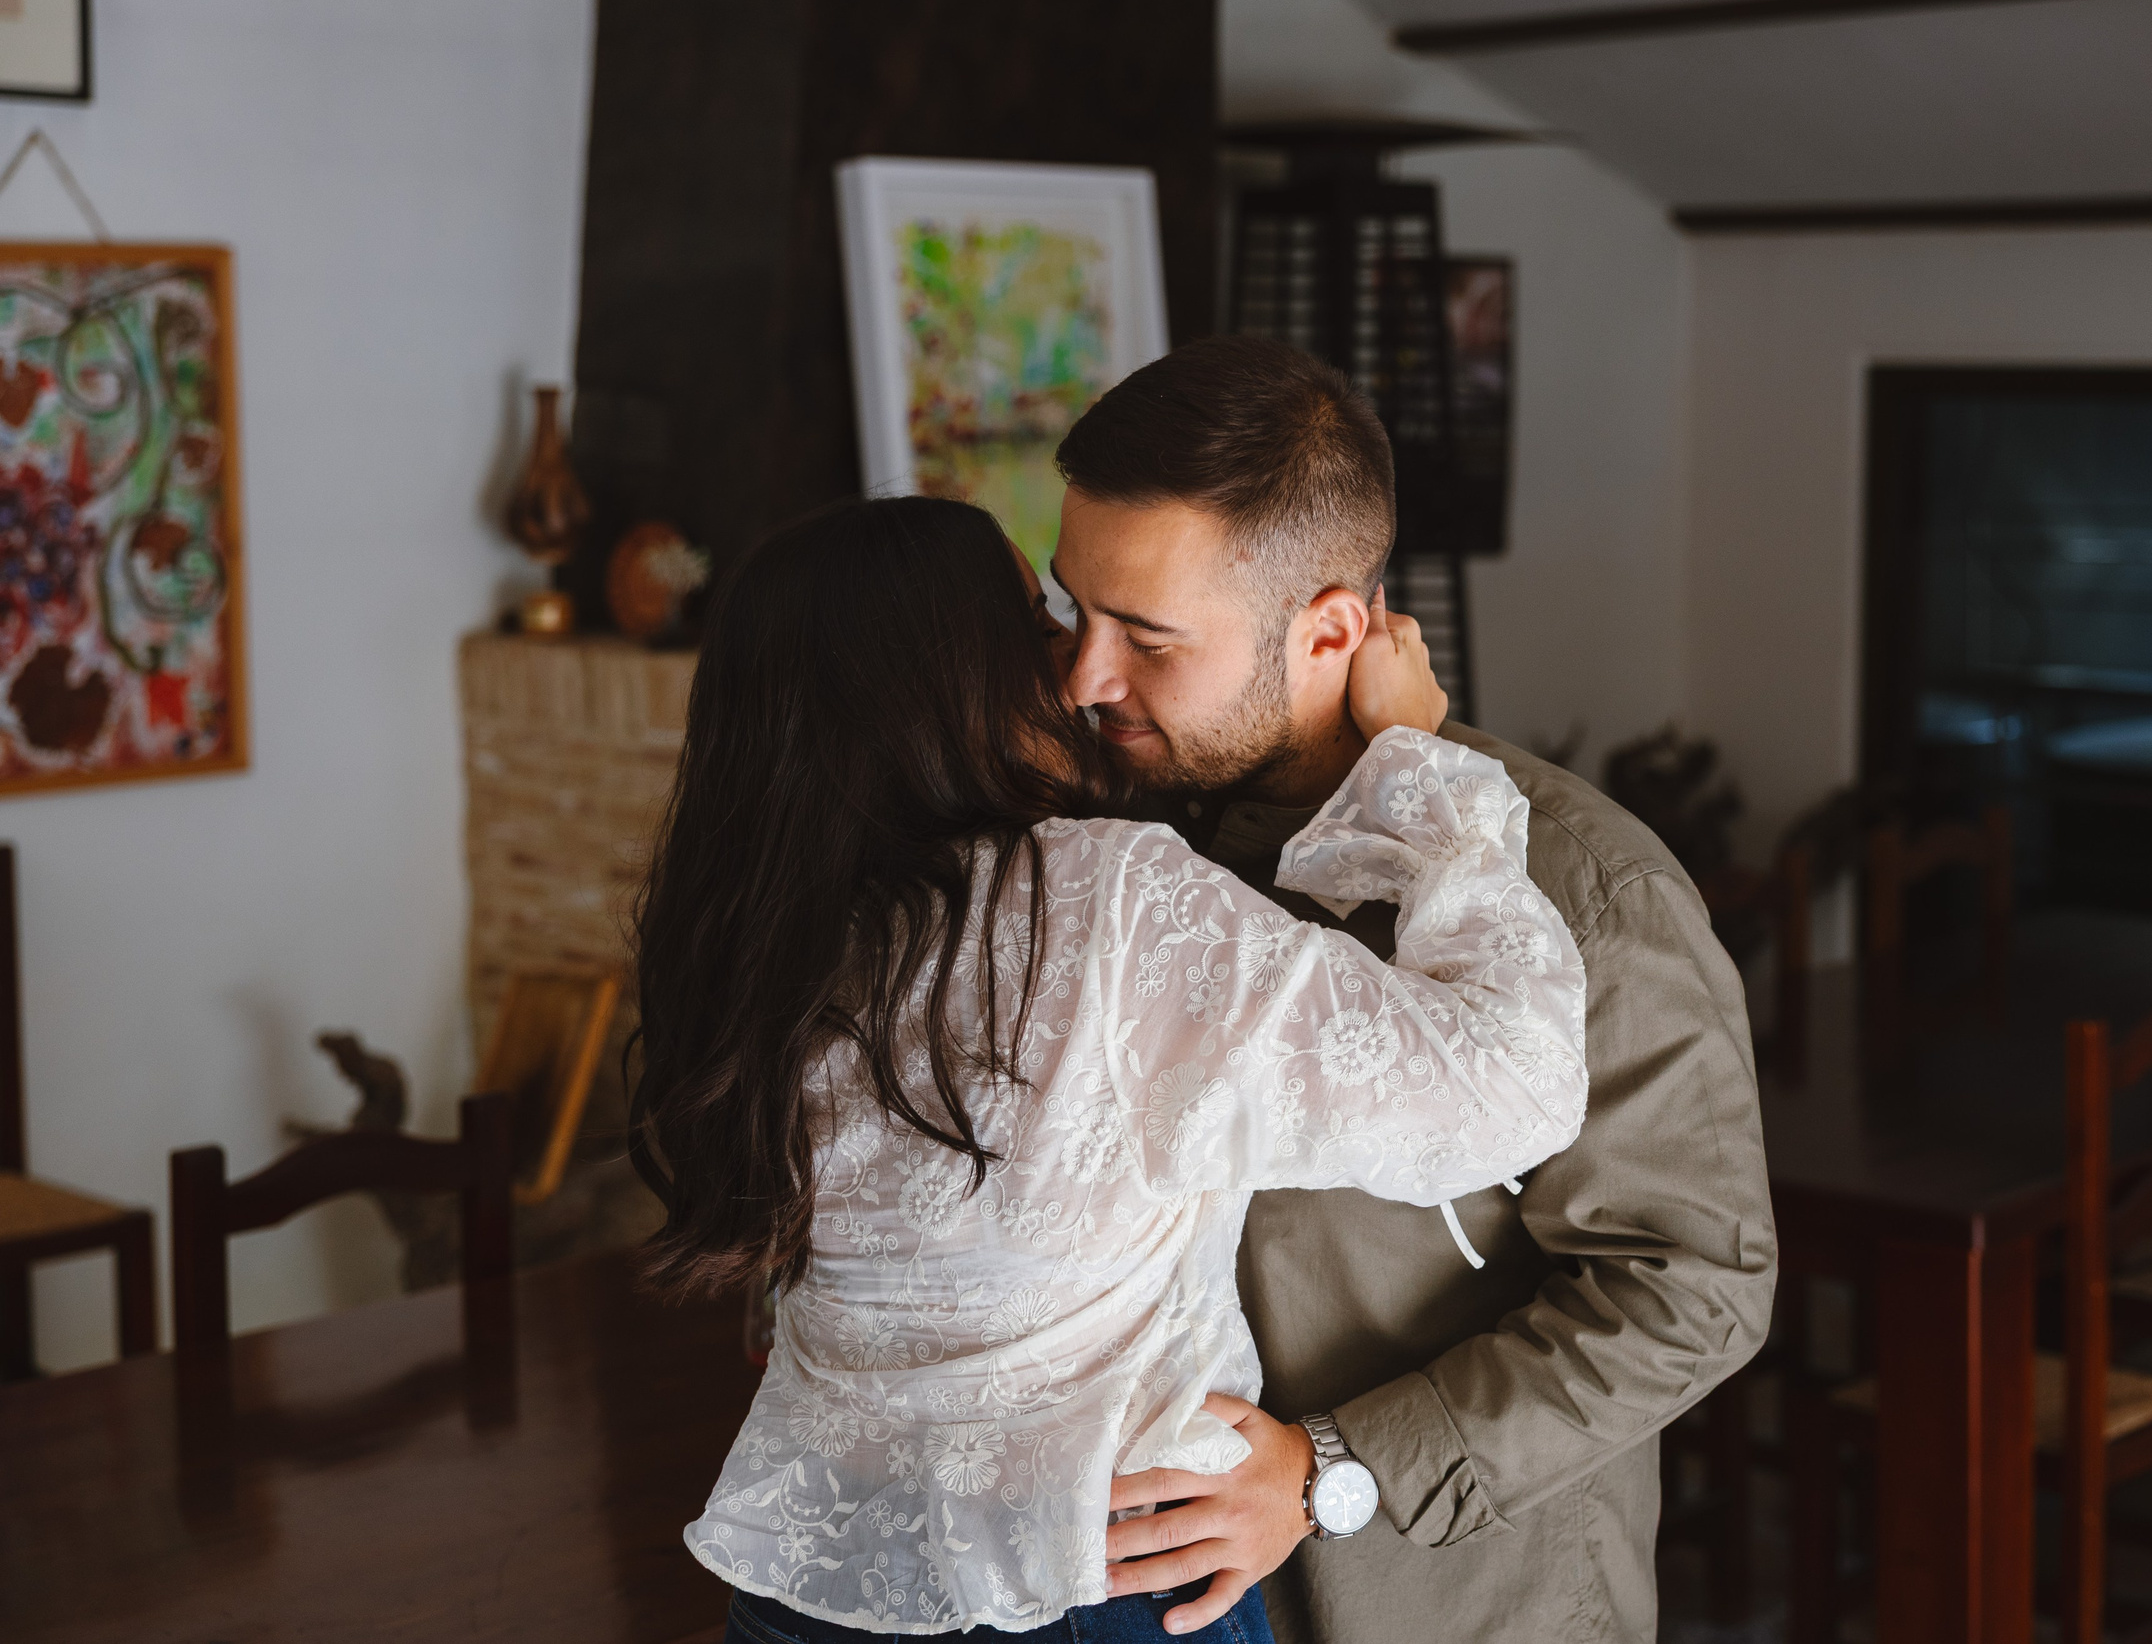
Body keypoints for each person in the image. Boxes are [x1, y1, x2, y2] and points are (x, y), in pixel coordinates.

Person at [629, 496, 1593, 1643]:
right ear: (947, 674)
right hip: (1088, 1576)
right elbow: (1513, 1085)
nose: (1078, 668)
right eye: (1037, 618)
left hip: (810, 1581)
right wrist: (1416, 764)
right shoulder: (1103, 899)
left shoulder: (755, 934)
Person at [1047, 337, 1777, 1644]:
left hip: (1442, 1606)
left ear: (1332, 627)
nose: (1085, 679)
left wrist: (1337, 1465)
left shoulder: (1584, 893)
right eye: (1075, 613)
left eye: (1147, 637)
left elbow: (1693, 1284)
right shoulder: (1117, 849)